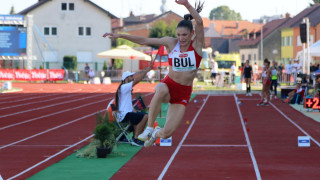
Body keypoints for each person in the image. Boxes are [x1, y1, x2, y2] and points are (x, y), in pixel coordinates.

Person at [103, 0, 204, 147]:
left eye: (185, 35)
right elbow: (144, 40)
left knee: (167, 133)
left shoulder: (197, 46)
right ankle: (149, 128)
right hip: (169, 86)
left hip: (183, 93)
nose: (181, 38)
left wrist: (186, 4)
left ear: (192, 34)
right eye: (179, 34)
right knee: (160, 88)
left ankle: (156, 133)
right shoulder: (171, 43)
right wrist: (120, 36)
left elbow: (199, 22)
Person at [114, 63, 153, 146]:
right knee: (145, 116)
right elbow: (137, 80)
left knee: (138, 115)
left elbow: (125, 103)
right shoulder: (124, 87)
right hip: (124, 116)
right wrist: (146, 71)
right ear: (126, 78)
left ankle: (135, 138)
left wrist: (134, 110)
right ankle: (136, 139)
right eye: (131, 77)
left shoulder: (123, 88)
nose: (133, 78)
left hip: (124, 114)